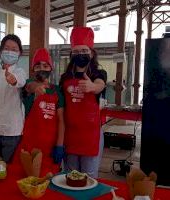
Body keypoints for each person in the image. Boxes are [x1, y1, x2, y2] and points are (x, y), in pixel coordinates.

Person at [60, 27, 106, 178]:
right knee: (71, 176)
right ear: (71, 54)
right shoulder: (65, 77)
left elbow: (100, 85)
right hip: (71, 135)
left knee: (89, 178)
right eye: (76, 51)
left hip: (90, 136)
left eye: (84, 51)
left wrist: (93, 87)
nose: (80, 54)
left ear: (91, 53)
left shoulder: (98, 74)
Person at [17, 48, 65, 175]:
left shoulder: (56, 91)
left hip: (50, 147)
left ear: (51, 68)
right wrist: (37, 88)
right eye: (37, 66)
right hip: (29, 146)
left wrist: (59, 145)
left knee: (48, 182)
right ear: (33, 69)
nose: (41, 68)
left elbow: (61, 119)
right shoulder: (28, 84)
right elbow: (30, 87)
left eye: (45, 65)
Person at [0, 34, 27, 163]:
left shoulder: (20, 72)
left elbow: (20, 81)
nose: (10, 52)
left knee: (8, 169)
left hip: (12, 131)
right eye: (7, 48)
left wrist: (13, 80)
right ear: (0, 52)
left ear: (19, 53)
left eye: (14, 49)